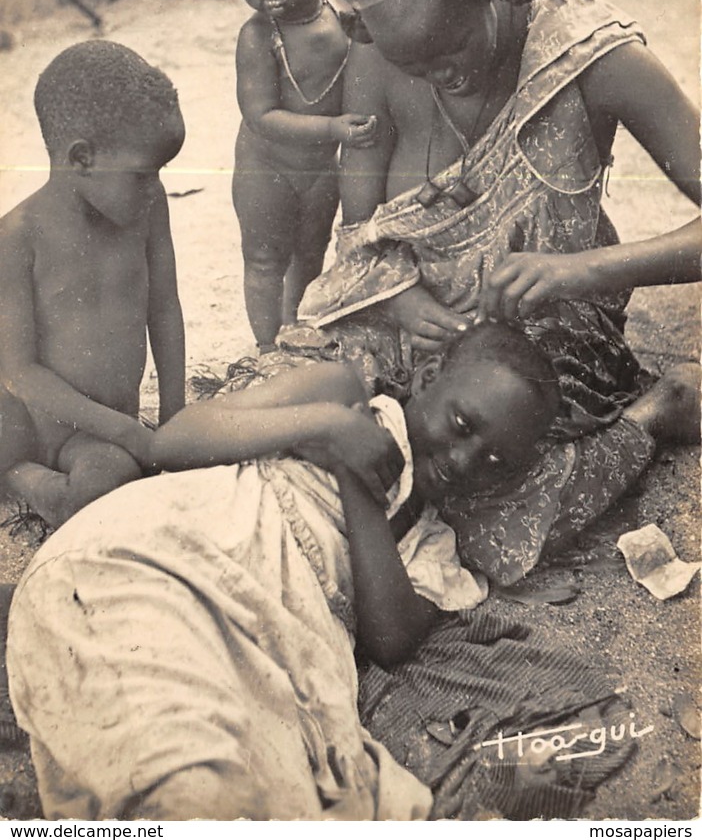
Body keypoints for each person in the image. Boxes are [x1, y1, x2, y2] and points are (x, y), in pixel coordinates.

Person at [298, 0, 701, 584]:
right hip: (406, 328)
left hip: (537, 354)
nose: (438, 76)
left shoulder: (591, 59)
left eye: (452, 49)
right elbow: (355, 233)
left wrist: (581, 270)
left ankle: (649, 418)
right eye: (414, 65)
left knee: (478, 508)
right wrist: (399, 298)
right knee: (300, 421)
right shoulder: (378, 61)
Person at [7, 323, 560, 820]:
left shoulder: (431, 544)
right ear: (429, 376)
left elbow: (390, 638)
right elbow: (170, 443)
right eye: (463, 424)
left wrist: (354, 479)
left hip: (263, 635)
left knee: (239, 783)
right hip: (168, 554)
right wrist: (323, 427)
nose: (465, 460)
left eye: (496, 463)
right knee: (173, 754)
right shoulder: (340, 395)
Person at [0, 39, 186, 527]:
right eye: (143, 175)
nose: (154, 188)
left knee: (109, 475)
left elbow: (164, 307)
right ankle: (25, 478)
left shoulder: (147, 208)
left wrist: (173, 414)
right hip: (33, 421)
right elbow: (20, 373)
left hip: (94, 433)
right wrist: (128, 432)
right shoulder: (18, 236)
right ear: (82, 157)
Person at [229, 0, 378, 353]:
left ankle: (296, 329)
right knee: (265, 258)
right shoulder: (258, 37)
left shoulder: (341, 12)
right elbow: (261, 117)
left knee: (310, 253)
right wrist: (333, 129)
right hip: (266, 167)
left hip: (319, 169)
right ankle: (266, 348)